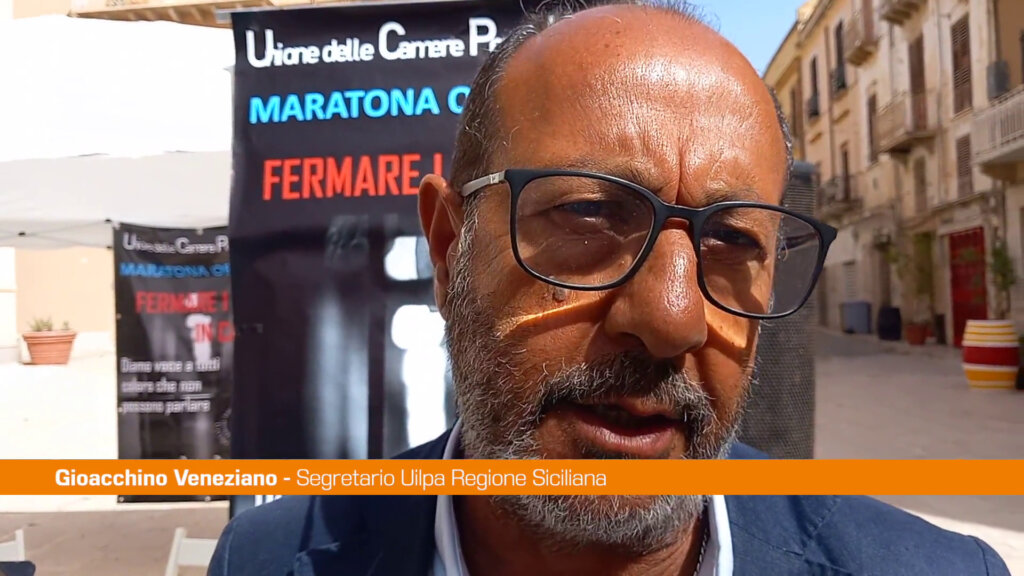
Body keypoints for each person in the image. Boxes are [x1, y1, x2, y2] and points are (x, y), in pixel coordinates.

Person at [208, 1, 1011, 574]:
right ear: (451, 247)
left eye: (733, 240)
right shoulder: (268, 559)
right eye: (590, 213)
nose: (672, 317)